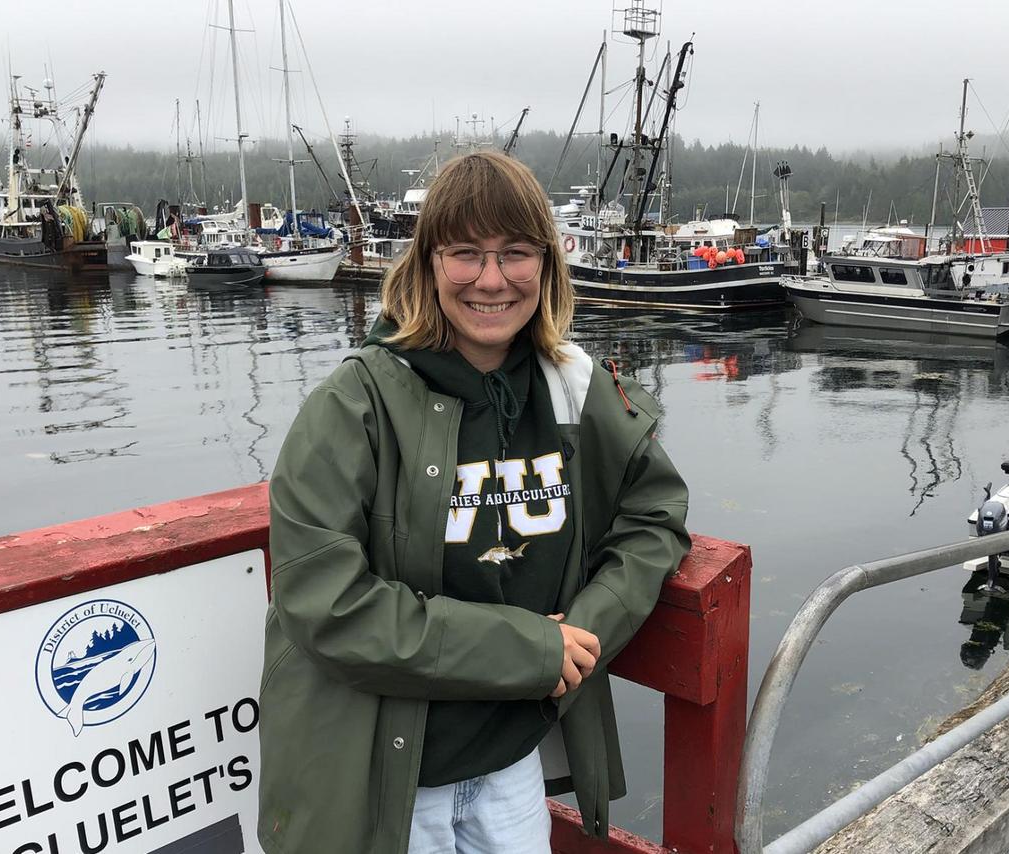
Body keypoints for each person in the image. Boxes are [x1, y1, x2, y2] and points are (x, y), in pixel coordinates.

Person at [257, 150, 690, 854]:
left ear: (546, 264)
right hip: (387, 777)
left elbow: (655, 515)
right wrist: (528, 649)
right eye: (465, 253)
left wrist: (583, 633)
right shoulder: (353, 405)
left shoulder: (573, 387)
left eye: (516, 253)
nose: (492, 280)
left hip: (510, 765)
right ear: (428, 262)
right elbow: (322, 599)